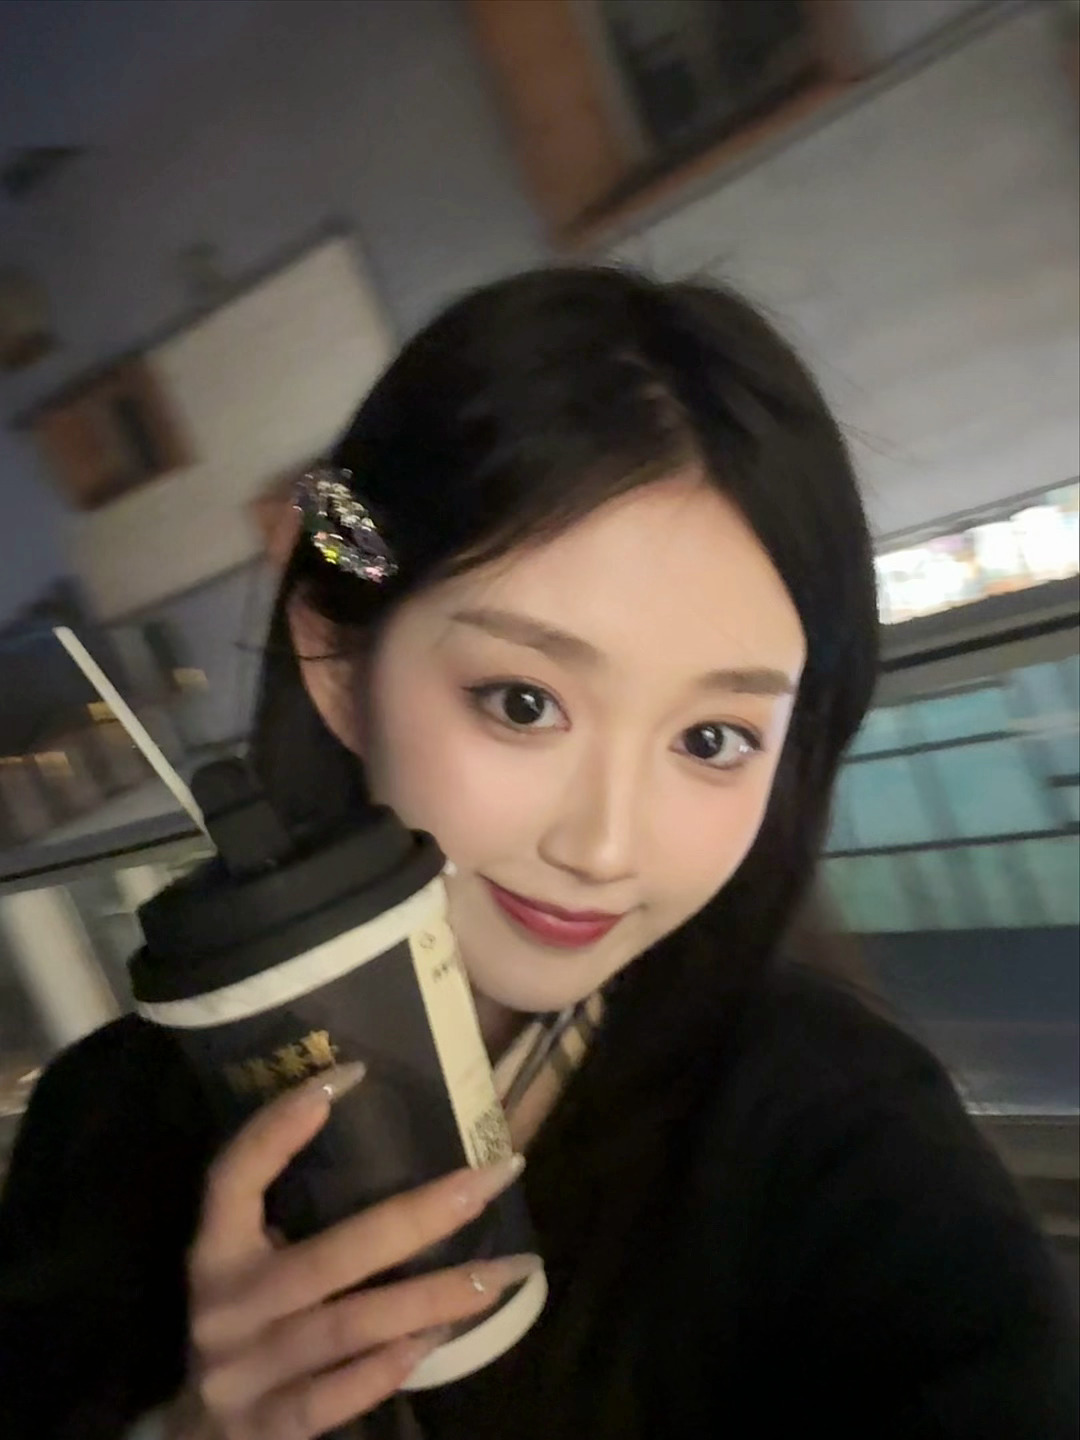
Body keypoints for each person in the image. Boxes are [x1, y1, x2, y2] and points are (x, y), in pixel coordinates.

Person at [0, 266, 1075, 1440]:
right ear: (341, 663)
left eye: (712, 739)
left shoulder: (840, 1131)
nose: (604, 846)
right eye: (523, 702)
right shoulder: (103, 1129)